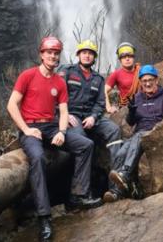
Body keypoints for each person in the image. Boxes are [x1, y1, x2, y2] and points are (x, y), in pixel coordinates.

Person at [6, 36, 101, 242]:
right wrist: (26, 129)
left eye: (56, 53)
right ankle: (44, 216)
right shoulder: (27, 75)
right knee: (38, 158)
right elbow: (12, 105)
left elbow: (64, 111)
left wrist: (61, 132)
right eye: (49, 52)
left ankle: (78, 195)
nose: (53, 56)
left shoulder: (59, 81)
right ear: (41, 54)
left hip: (51, 126)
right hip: (30, 126)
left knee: (86, 145)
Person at [104, 65, 163, 202]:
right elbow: (131, 122)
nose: (148, 83)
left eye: (151, 80)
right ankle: (116, 192)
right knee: (120, 153)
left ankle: (125, 173)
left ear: (157, 80)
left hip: (156, 132)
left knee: (139, 136)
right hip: (139, 134)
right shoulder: (137, 97)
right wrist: (131, 111)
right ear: (141, 82)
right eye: (144, 81)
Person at [60, 40, 124, 201]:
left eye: (90, 53)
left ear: (94, 57)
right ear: (78, 54)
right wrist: (65, 115)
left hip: (91, 117)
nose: (87, 55)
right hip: (72, 117)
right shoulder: (67, 72)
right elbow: (56, 96)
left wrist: (94, 116)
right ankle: (80, 193)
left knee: (114, 130)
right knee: (82, 141)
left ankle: (117, 184)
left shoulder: (99, 79)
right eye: (84, 52)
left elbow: (101, 103)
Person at [104, 42, 141, 114]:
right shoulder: (116, 74)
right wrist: (108, 107)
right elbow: (104, 90)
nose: (127, 59)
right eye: (124, 57)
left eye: (129, 56)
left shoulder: (141, 71)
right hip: (126, 108)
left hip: (143, 104)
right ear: (120, 59)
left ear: (133, 57)